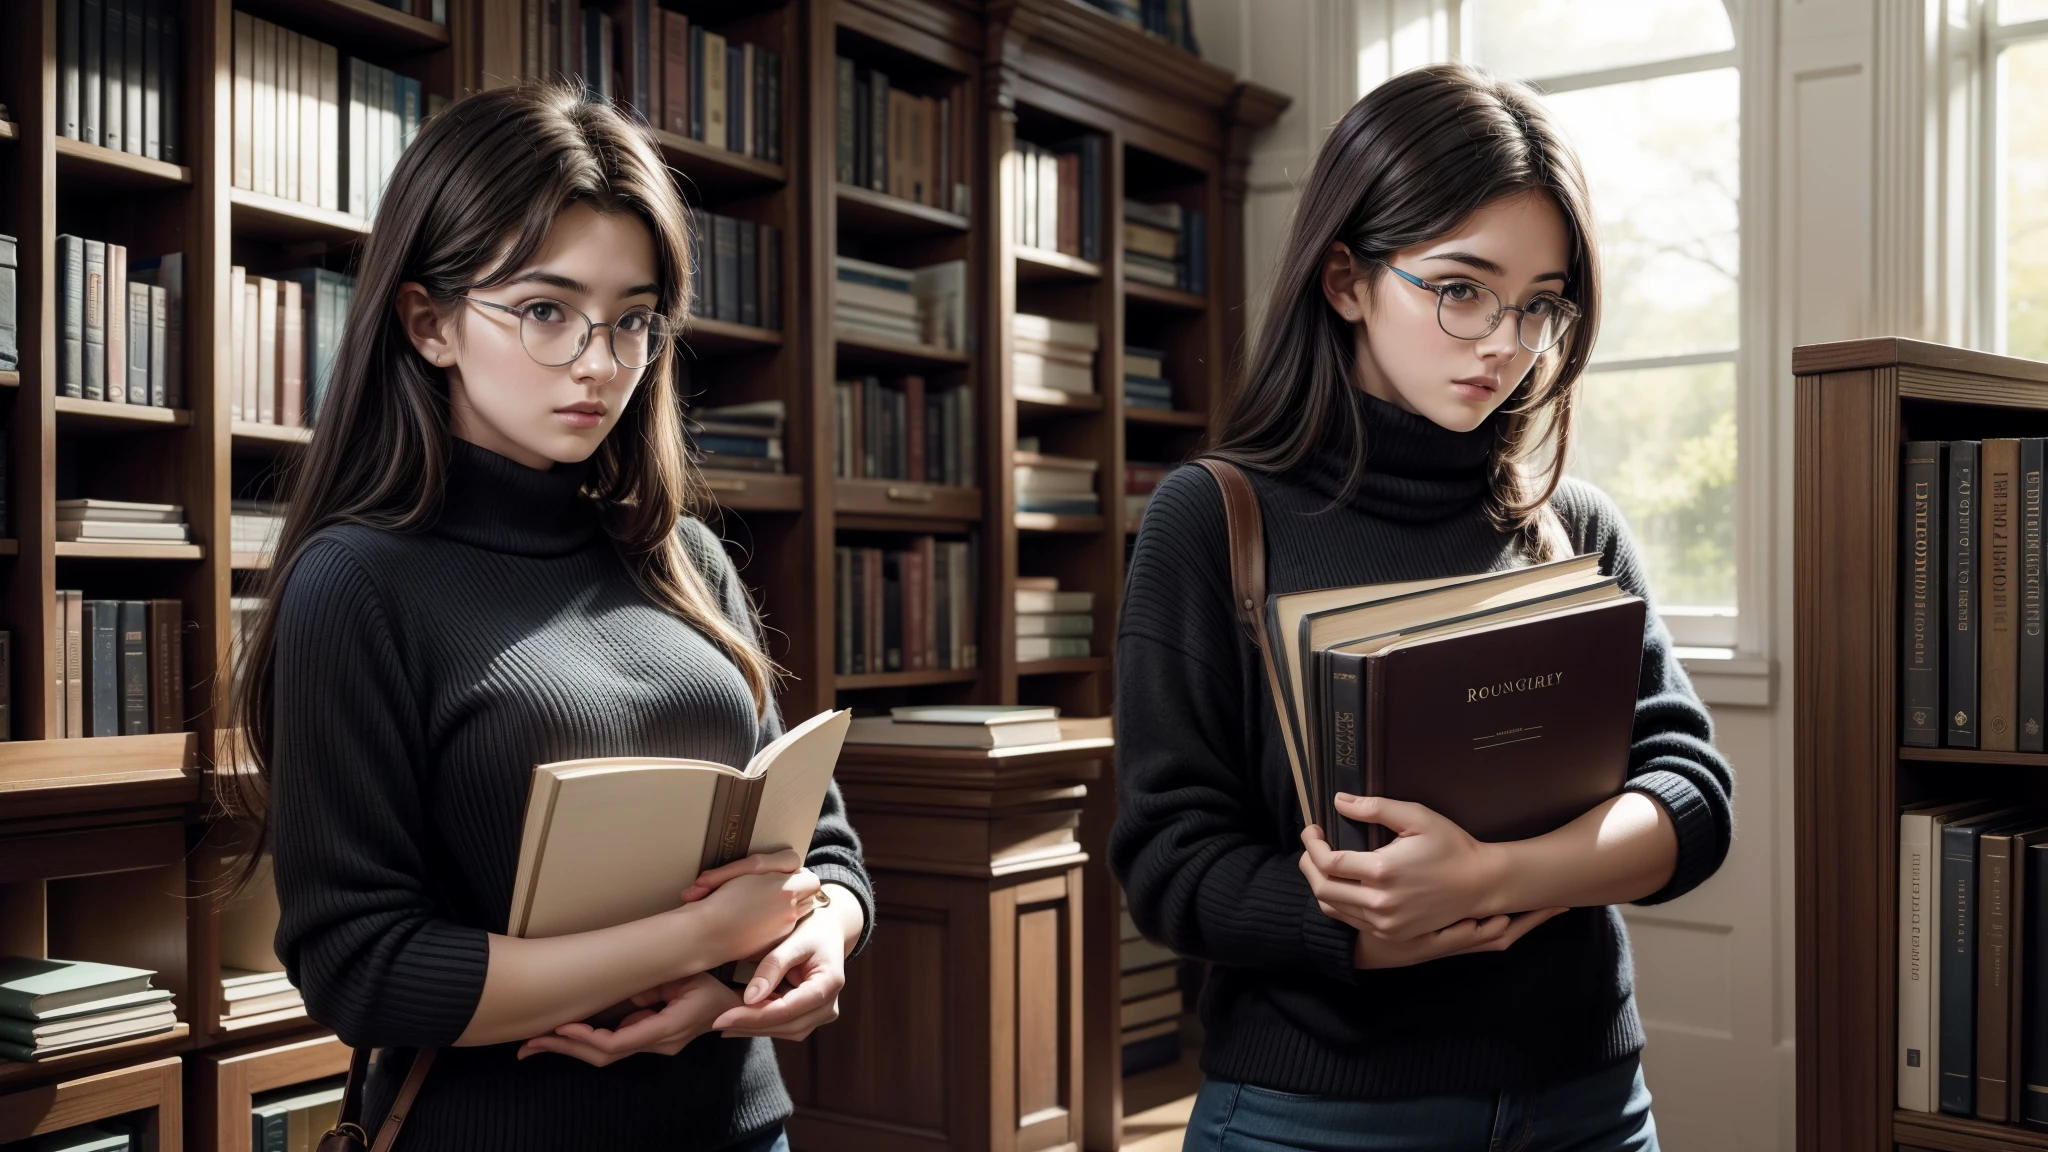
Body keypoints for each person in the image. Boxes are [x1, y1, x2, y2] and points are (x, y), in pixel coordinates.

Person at [225, 82, 872, 1152]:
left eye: (633, 320)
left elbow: (827, 850)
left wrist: (812, 950)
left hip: (741, 1128)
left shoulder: (684, 559)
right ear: (428, 322)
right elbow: (363, 970)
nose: (600, 362)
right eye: (545, 311)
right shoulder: (357, 584)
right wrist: (696, 941)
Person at [1111, 63, 1734, 1152]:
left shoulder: (1570, 525)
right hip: (1313, 1113)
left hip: (1584, 1099)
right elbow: (1167, 862)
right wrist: (1362, 927)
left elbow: (1689, 794)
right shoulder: (1210, 519)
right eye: (1460, 289)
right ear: (1345, 278)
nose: (1504, 341)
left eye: (1540, 303)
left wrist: (1494, 879)